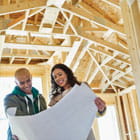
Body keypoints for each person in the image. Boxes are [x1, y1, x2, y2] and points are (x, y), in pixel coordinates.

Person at [48, 63, 106, 140]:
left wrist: (101, 109)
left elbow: (95, 113)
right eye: (55, 77)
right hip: (67, 134)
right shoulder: (55, 100)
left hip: (85, 131)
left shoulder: (82, 88)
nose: (58, 78)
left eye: (60, 74)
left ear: (67, 73)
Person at [4, 68, 47, 140]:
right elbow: (16, 119)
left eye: (28, 81)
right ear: (16, 83)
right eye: (22, 83)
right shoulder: (10, 99)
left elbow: (44, 118)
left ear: (31, 77)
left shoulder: (40, 98)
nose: (26, 85)